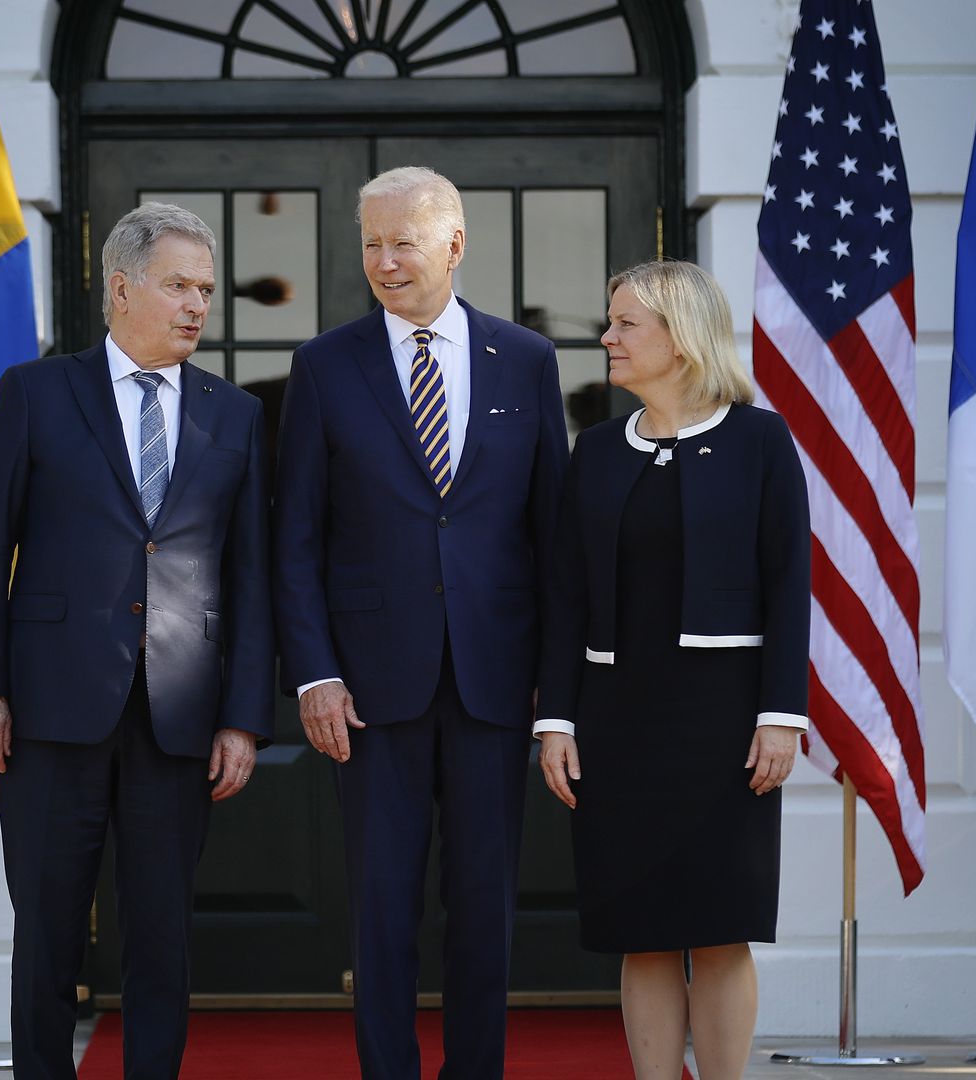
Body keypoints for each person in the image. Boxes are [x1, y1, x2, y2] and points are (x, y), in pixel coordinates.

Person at [0, 203, 273, 1080]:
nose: (197, 305)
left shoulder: (236, 415)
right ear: (121, 289)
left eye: (205, 289)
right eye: (179, 286)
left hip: (180, 717)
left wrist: (244, 717)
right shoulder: (36, 393)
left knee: (162, 937)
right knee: (48, 933)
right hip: (51, 712)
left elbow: (251, 577)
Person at [273, 166, 569, 1079]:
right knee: (382, 907)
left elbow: (552, 539)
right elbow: (295, 538)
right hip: (367, 690)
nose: (385, 261)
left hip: (495, 682)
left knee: (484, 907)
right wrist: (315, 673)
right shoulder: (325, 365)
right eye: (371, 243)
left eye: (403, 241)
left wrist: (555, 690)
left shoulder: (527, 359)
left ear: (454, 243)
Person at [535, 260, 810, 1080]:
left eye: (626, 324)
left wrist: (781, 715)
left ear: (681, 339)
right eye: (611, 322)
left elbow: (788, 583)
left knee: (721, 929)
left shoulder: (761, 441)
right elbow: (565, 596)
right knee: (642, 931)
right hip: (616, 725)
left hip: (725, 727)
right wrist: (556, 720)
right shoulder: (595, 451)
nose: (607, 338)